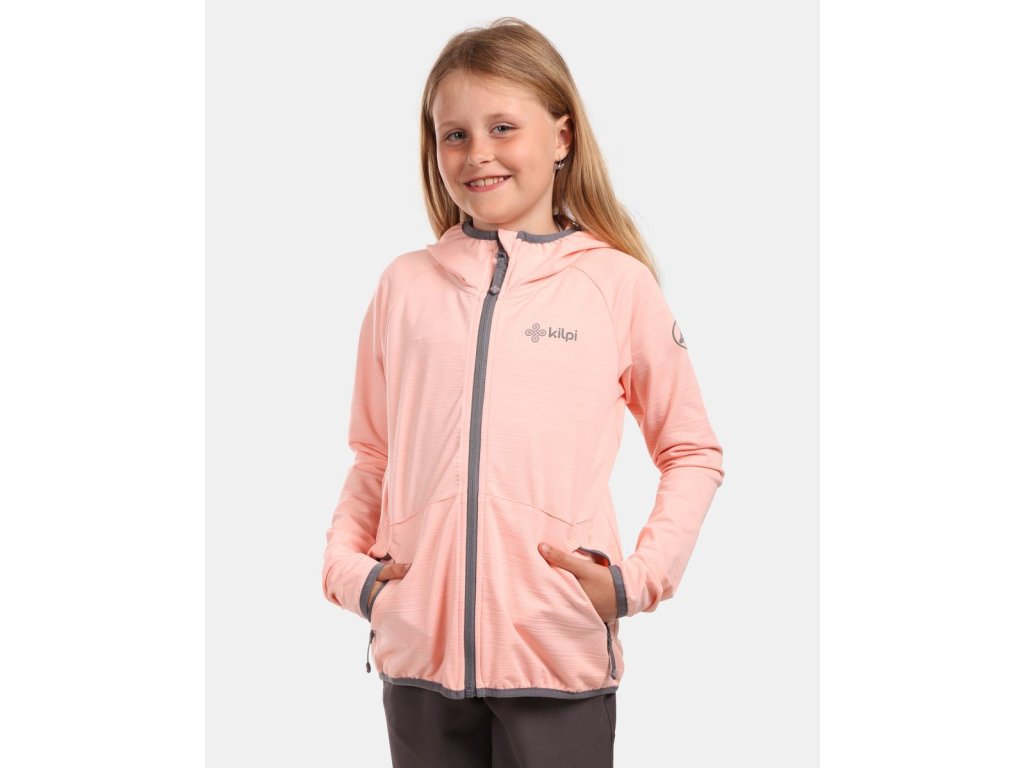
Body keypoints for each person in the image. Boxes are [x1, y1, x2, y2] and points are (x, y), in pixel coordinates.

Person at [321, 16, 725, 768]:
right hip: (418, 662)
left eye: (502, 127)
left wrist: (634, 583)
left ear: (562, 137)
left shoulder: (615, 285)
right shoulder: (404, 286)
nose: (478, 153)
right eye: (455, 134)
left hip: (555, 654)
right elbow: (372, 455)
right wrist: (354, 577)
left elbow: (691, 451)